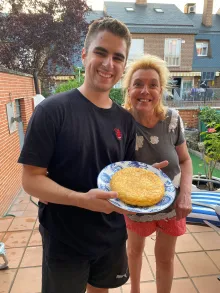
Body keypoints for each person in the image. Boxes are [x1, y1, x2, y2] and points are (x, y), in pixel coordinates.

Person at [18, 18, 166, 293]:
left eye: (117, 57)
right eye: (101, 52)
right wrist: (82, 201)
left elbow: (120, 173)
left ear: (123, 67)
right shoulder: (52, 111)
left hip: (111, 235)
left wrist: (146, 177)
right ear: (84, 54)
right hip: (65, 238)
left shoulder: (125, 120)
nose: (109, 63)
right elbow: (31, 180)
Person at [122, 54, 193, 293]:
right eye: (138, 84)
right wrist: (139, 178)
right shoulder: (120, 122)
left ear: (161, 89)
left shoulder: (172, 119)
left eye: (153, 84)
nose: (145, 90)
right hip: (136, 204)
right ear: (129, 89)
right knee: (134, 251)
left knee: (165, 259)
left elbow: (185, 159)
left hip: (172, 204)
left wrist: (185, 194)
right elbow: (113, 167)